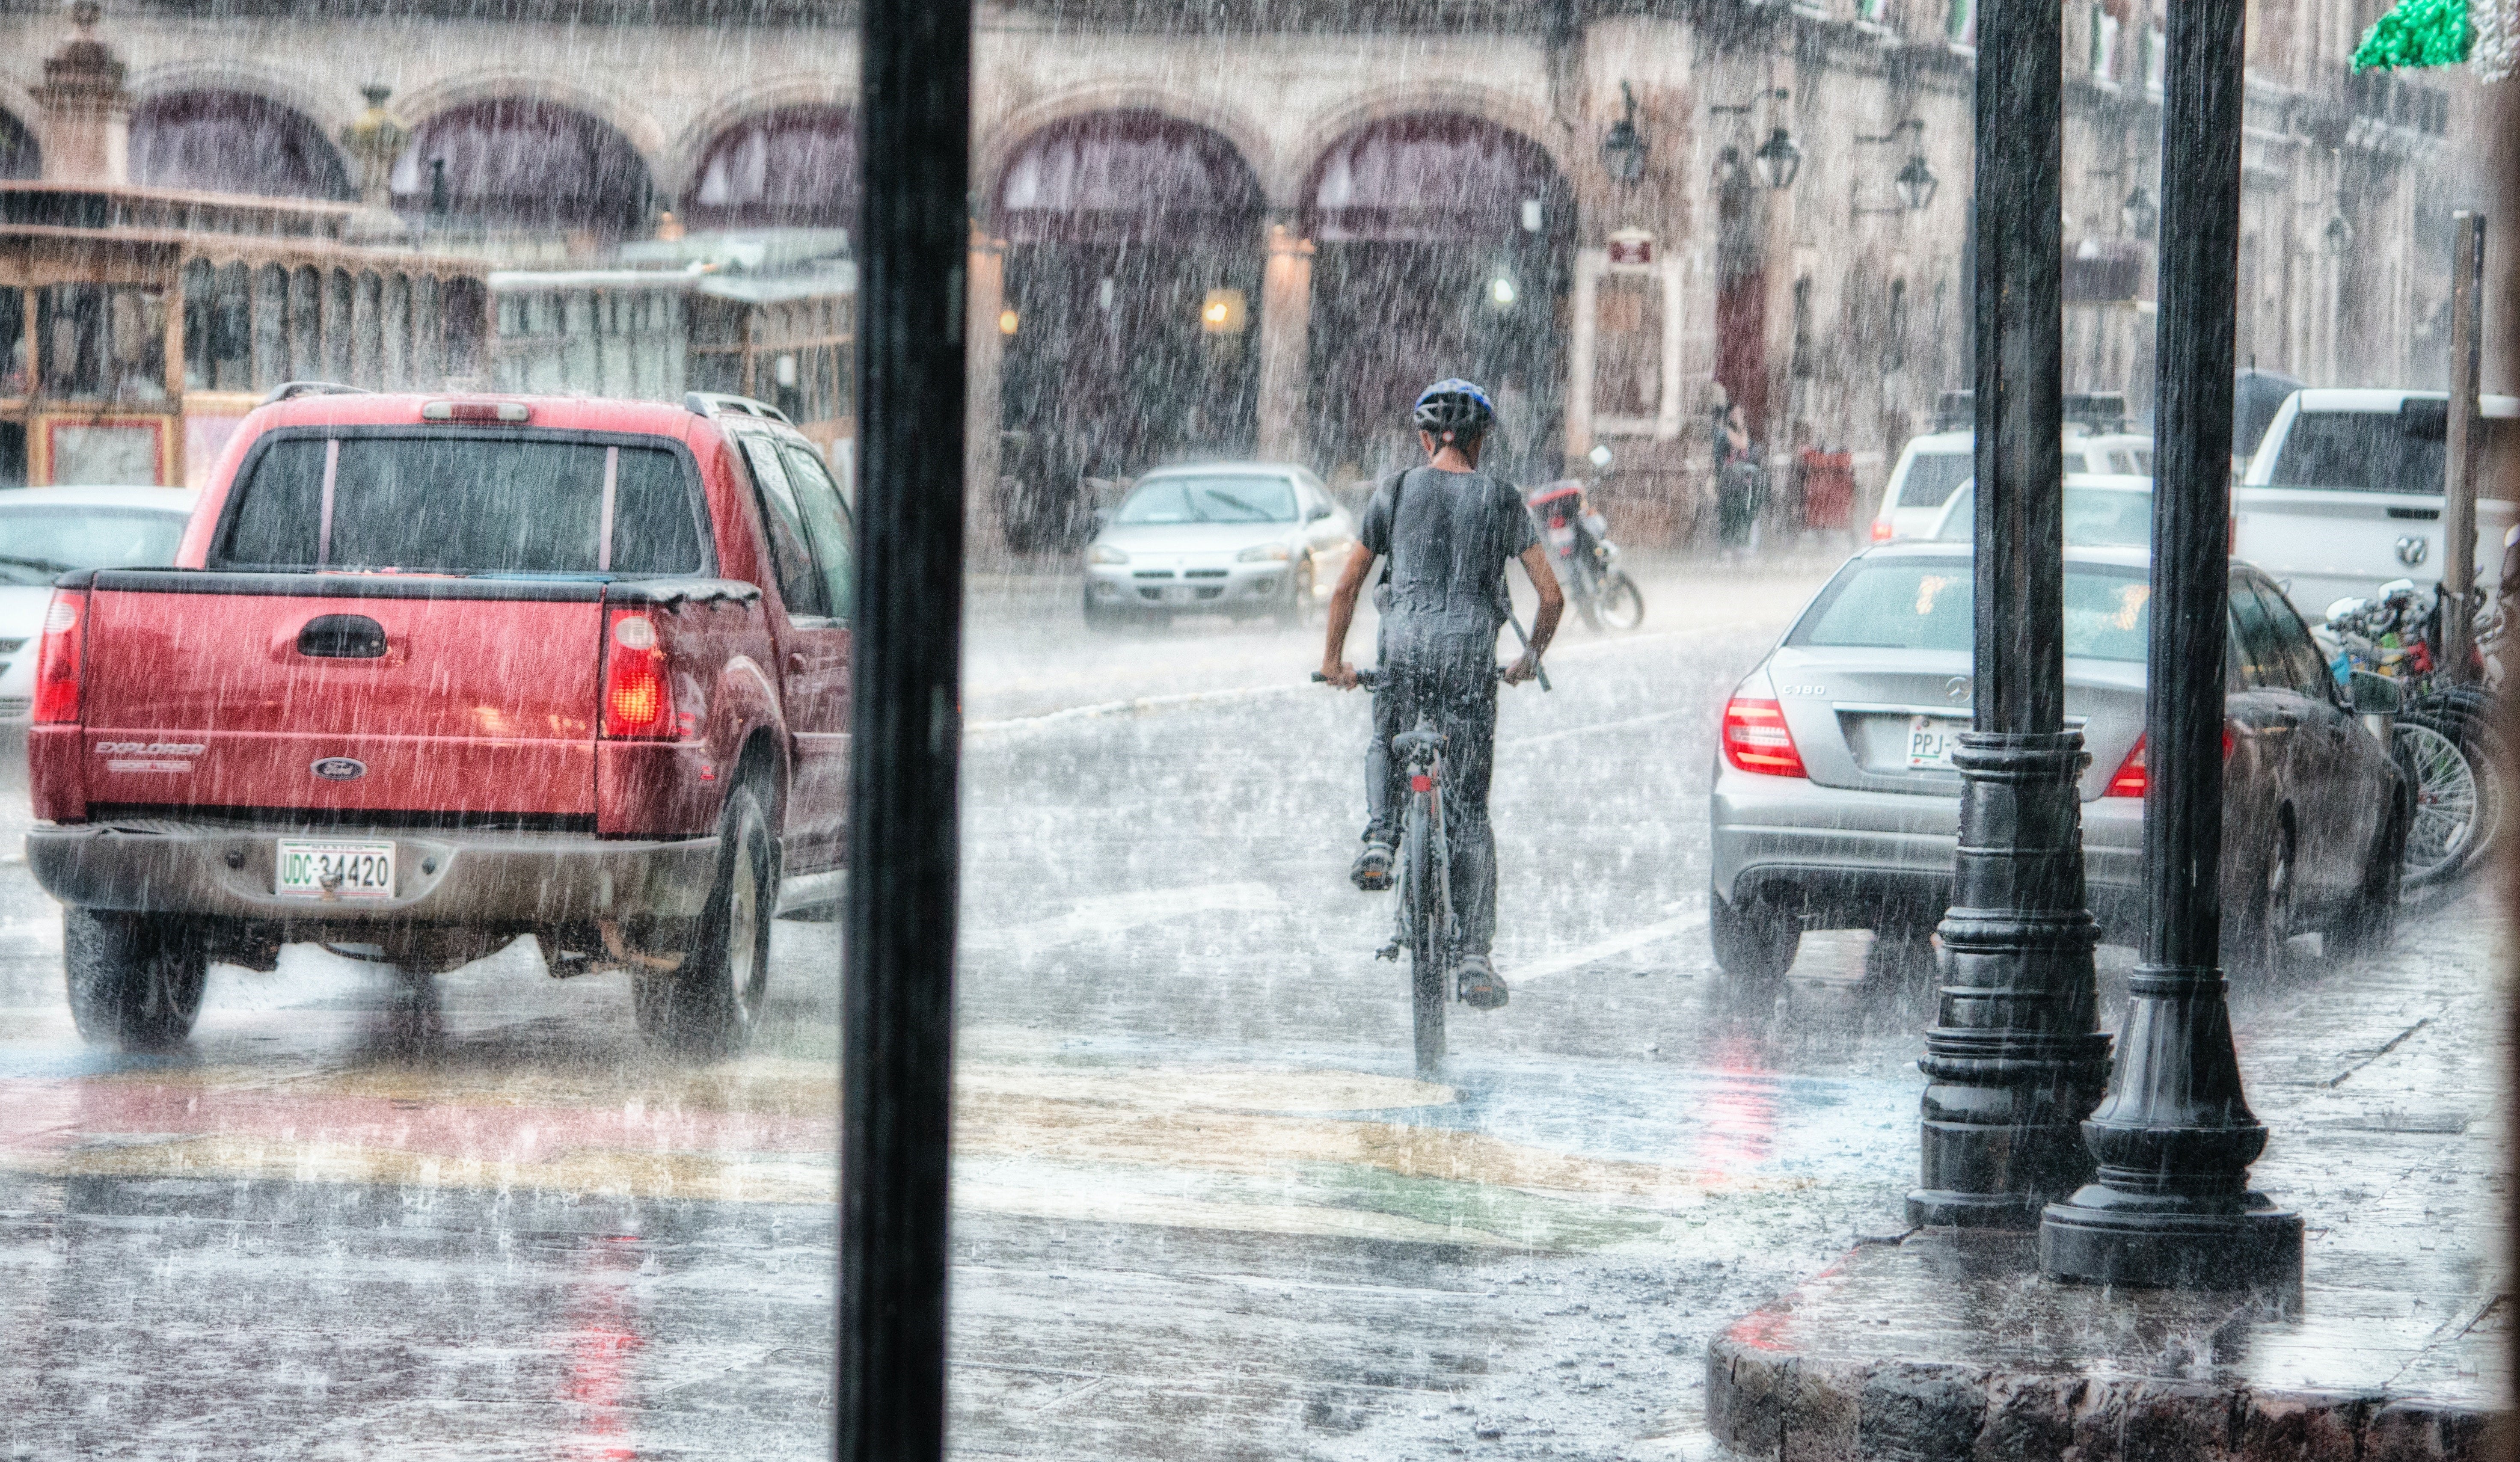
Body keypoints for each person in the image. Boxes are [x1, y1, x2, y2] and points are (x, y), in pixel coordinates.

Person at [1318, 378, 1564, 1010]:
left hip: (1402, 650)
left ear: (1425, 438)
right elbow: (1551, 595)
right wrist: (1527, 658)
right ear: (1481, 441)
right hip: (1467, 660)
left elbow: (1346, 587)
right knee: (1470, 813)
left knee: (1385, 734)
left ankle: (1379, 837)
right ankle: (1476, 955)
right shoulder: (1503, 499)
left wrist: (1333, 661)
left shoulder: (1396, 490)